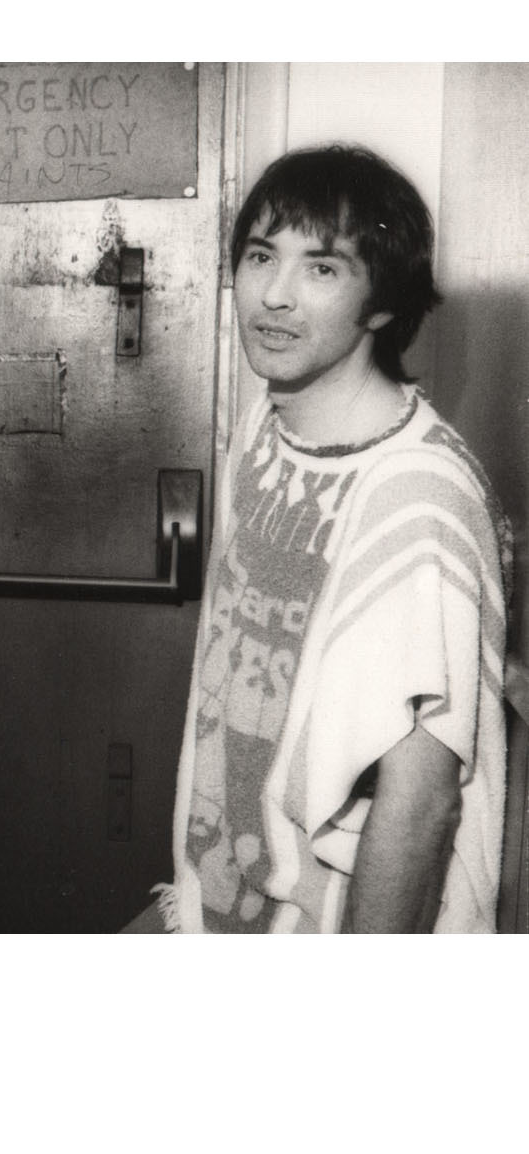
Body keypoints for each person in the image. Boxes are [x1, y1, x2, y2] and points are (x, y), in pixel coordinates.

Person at [154, 144, 512, 932]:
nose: (274, 295)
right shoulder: (265, 427)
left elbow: (420, 810)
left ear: (382, 302)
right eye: (261, 256)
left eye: (321, 268)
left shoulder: (420, 500)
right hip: (224, 903)